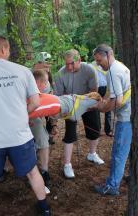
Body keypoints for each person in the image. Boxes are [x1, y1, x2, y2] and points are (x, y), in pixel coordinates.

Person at [0, 34, 50, 216]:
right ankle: (44, 208)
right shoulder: (23, 71)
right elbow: (36, 102)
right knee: (32, 172)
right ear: (4, 49)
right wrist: (22, 114)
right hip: (19, 135)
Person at [54, 49, 104, 179]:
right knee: (70, 134)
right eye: (67, 64)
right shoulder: (60, 74)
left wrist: (85, 103)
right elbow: (59, 96)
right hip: (70, 105)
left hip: (87, 102)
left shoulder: (89, 70)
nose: (69, 67)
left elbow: (94, 91)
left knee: (95, 129)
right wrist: (71, 104)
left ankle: (92, 154)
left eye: (72, 63)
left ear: (79, 61)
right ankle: (67, 164)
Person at [92, 44, 132, 196]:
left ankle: (112, 186)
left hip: (125, 117)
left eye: (100, 60)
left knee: (119, 153)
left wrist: (102, 108)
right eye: (96, 61)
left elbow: (119, 101)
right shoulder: (120, 66)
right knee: (130, 150)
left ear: (109, 55)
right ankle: (132, 176)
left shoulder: (113, 72)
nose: (98, 64)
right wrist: (107, 100)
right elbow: (117, 94)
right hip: (132, 115)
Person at [91, 59, 113, 136]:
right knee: (96, 108)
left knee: (107, 108)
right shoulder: (92, 65)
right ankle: (97, 129)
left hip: (106, 87)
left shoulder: (106, 64)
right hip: (96, 88)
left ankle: (108, 130)